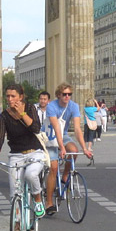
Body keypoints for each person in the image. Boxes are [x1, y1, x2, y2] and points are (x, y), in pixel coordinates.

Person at [0, 84, 45, 219]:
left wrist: (22, 114)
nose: (10, 99)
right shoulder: (4, 116)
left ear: (20, 97)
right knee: (15, 194)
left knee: (31, 175)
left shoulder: (30, 108)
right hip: (16, 155)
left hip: (35, 152)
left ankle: (37, 199)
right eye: (8, 96)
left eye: (13, 96)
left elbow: (36, 128)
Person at [42, 82, 92, 215]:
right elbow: (56, 127)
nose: (67, 97)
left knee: (74, 151)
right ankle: (49, 202)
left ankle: (65, 176)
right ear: (58, 95)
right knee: (53, 167)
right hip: (49, 137)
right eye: (64, 94)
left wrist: (85, 148)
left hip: (62, 135)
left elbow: (77, 128)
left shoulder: (74, 106)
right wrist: (61, 147)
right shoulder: (51, 106)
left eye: (69, 94)